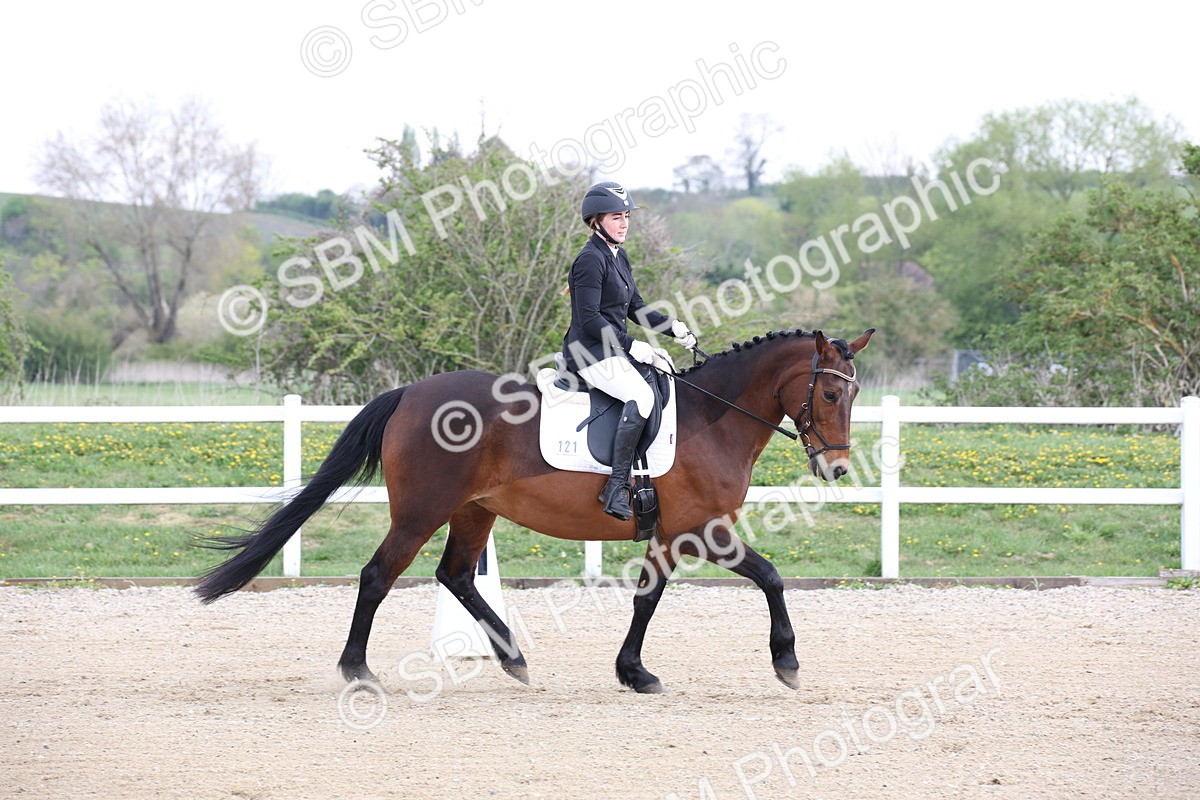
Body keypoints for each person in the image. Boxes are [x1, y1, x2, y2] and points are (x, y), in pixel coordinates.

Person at [562, 181, 696, 521]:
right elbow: (589, 318)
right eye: (615, 217)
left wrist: (672, 327)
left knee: (663, 372)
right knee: (642, 397)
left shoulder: (618, 256)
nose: (623, 223)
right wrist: (632, 344)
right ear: (595, 221)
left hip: (612, 351)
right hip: (588, 353)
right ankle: (616, 486)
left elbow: (635, 307)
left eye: (626, 216)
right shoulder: (590, 260)